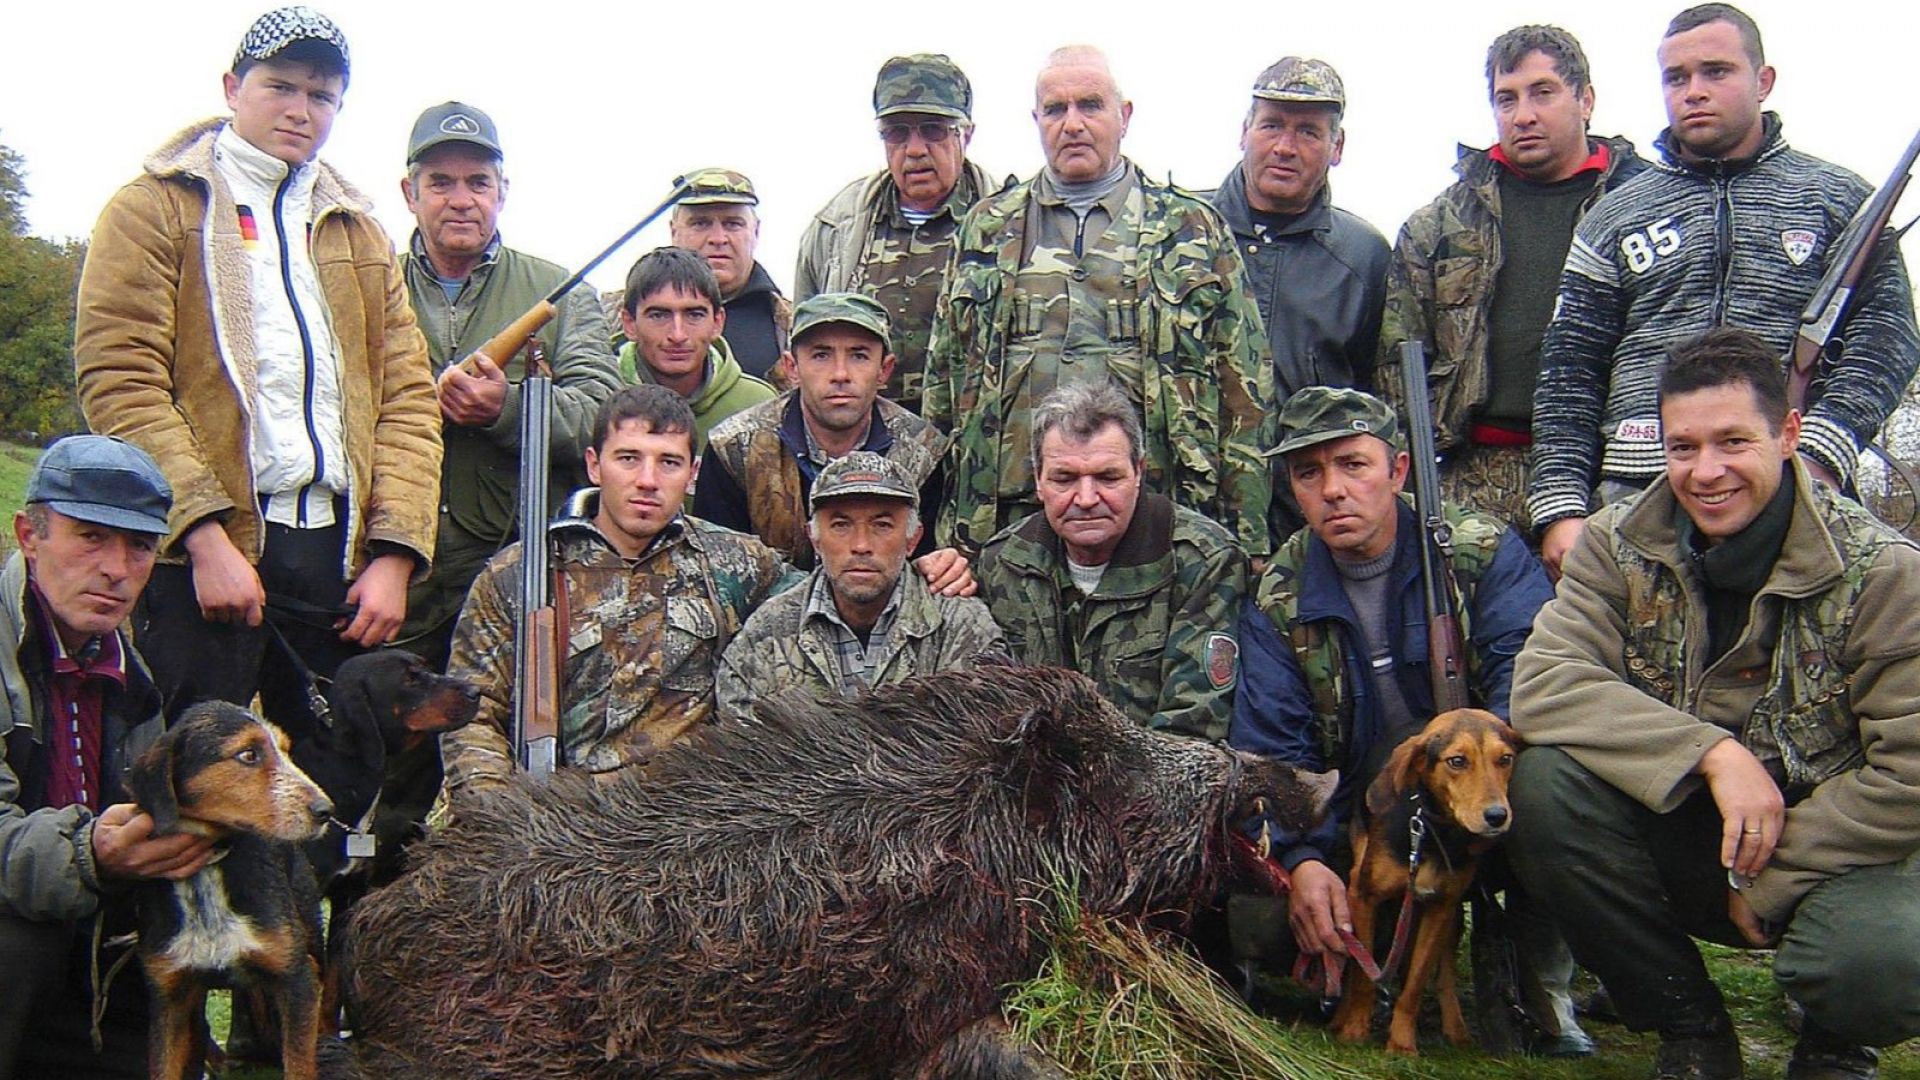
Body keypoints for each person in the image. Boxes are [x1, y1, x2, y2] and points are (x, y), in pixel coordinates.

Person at [1509, 327, 1920, 1080]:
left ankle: (1836, 1042)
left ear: (1789, 433)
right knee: (1544, 789)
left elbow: (1912, 776)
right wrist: (1712, 754)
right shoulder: (1614, 544)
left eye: (1733, 442)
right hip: (1691, 831)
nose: (1705, 472)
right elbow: (1543, 685)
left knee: (1882, 956)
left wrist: (1775, 869)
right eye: (1682, 447)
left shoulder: (1887, 574)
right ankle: (1689, 1030)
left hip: (1842, 855)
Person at [73, 7, 440, 729]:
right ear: (232, 86)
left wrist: (394, 554)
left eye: (322, 96)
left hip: (335, 558)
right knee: (188, 774)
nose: (301, 111)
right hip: (198, 562)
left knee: (331, 781)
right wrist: (203, 534)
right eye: (281, 87)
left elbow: (408, 399)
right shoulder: (152, 209)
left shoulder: (358, 231)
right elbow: (121, 379)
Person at [1226, 387, 1585, 1053]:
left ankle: (1540, 976)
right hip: (1366, 815)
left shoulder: (1478, 552)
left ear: (1397, 470)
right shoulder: (1279, 592)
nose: (1333, 490)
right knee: (1262, 925)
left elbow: (1534, 684)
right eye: (1309, 473)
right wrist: (1305, 861)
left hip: (1486, 792)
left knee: (1556, 793)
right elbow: (1271, 752)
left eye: (1352, 465)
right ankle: (1359, 966)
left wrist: (1474, 787)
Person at [1528, 3, 1920, 576]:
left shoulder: (1838, 198)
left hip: (1796, 491)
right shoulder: (1612, 216)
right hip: (1636, 498)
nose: (1694, 91)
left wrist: (1819, 452)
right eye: (1676, 77)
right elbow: (1569, 371)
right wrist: (1561, 507)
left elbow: (1887, 339)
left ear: (1763, 81)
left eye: (1716, 71)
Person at [924, 45, 1273, 559]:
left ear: (1123, 116)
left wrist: (1248, 542)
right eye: (1055, 109)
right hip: (1006, 527)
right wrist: (944, 529)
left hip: (1158, 522)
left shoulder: (1190, 230)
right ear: (1036, 120)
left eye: (1090, 105)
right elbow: (943, 386)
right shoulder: (987, 228)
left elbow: (1244, 395)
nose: (1072, 124)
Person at [440, 384, 800, 795]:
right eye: (628, 459)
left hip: (688, 818)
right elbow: (472, 710)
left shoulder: (737, 564)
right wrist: (497, 813)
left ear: (693, 473)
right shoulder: (521, 574)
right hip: (554, 813)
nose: (648, 481)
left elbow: (824, 614)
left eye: (669, 463)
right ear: (595, 465)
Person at [1376, 25, 1647, 534]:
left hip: (1612, 473)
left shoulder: (1645, 206)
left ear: (1585, 99)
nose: (1523, 115)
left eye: (1543, 93)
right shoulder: (1439, 224)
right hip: (1471, 479)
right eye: (1507, 99)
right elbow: (1396, 369)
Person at [0, 436, 214, 1079]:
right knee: (20, 942)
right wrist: (88, 853)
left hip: (89, 943)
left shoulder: (129, 674)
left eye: (140, 546)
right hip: (20, 938)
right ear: (28, 534)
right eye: (90, 537)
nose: (117, 568)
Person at [394, 100, 622, 669]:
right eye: (440, 182)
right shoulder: (375, 285)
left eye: (478, 182)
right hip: (395, 576)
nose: (462, 199)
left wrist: (507, 408)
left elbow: (602, 414)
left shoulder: (560, 291)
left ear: (502, 190)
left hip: (516, 576)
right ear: (409, 192)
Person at [976, 381, 1245, 741]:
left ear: (1138, 473)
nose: (1086, 498)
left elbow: (1192, 729)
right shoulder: (1002, 563)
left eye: (1107, 477)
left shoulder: (1202, 561)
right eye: (1064, 478)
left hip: (1160, 783)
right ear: (1038, 481)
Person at [715, 452, 1003, 721]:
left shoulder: (960, 627)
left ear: (913, 539)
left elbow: (981, 750)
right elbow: (744, 757)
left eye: (882, 525)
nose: (861, 545)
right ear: (814, 539)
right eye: (841, 525)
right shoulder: (766, 633)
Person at [794, 53, 1002, 415]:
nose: (916, 149)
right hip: (862, 441)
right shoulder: (836, 227)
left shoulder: (1008, 224)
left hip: (969, 440)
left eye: (934, 130)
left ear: (966, 134)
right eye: (897, 133)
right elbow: (805, 342)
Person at [693, 293, 959, 575]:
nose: (840, 373)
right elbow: (716, 572)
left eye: (859, 355)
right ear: (791, 367)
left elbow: (929, 563)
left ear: (884, 369)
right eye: (821, 355)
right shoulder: (735, 449)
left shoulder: (923, 453)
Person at [1206, 56, 1389, 403]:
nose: (1285, 148)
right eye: (1271, 126)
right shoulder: (1182, 230)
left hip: (1308, 457)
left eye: (1308, 132)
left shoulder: (1364, 257)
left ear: (1337, 147)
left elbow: (1381, 395)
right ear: (1244, 132)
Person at [615, 246, 777, 452]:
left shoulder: (758, 404)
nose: (678, 335)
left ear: (718, 322)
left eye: (694, 315)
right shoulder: (600, 397)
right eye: (658, 315)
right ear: (629, 323)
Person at [669, 167, 791, 381]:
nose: (718, 238)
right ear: (674, 232)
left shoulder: (795, 325)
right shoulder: (617, 317)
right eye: (700, 223)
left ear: (756, 232)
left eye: (733, 224)